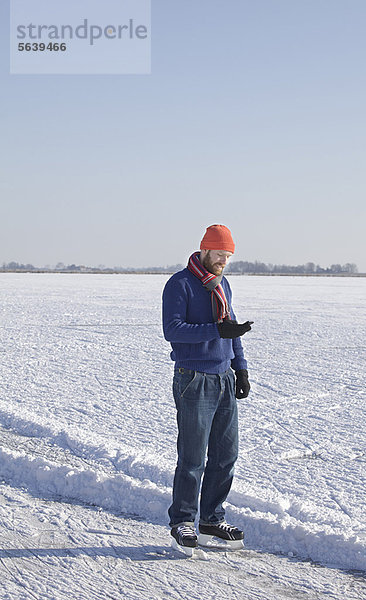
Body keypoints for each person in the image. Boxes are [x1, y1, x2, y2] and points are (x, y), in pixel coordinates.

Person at [162, 224, 253, 552]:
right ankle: (183, 521)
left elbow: (232, 329)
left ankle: (211, 519)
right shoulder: (180, 284)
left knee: (226, 454)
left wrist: (240, 369)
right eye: (219, 254)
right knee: (192, 456)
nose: (224, 261)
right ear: (204, 250)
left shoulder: (222, 284)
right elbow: (173, 330)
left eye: (228, 256)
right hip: (194, 379)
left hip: (223, 378)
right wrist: (216, 330)